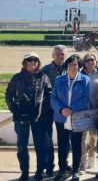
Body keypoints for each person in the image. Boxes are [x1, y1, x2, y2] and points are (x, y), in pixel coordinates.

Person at [6, 52, 52, 181]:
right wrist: (15, 111)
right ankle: (24, 171)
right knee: (21, 146)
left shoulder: (43, 76)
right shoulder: (16, 78)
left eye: (35, 60)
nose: (33, 63)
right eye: (29, 60)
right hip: (21, 119)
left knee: (40, 146)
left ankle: (39, 171)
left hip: (39, 118)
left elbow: (49, 95)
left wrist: (43, 111)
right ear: (25, 63)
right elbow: (8, 95)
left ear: (38, 63)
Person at [51, 54, 90, 181]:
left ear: (79, 66)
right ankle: (62, 170)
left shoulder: (85, 80)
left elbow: (86, 99)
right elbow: (53, 98)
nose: (72, 67)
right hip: (61, 117)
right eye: (70, 65)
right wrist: (62, 109)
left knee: (76, 144)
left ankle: (75, 171)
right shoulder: (59, 79)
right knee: (62, 145)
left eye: (75, 65)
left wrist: (72, 109)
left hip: (77, 117)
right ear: (66, 67)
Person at [42, 44, 68, 176]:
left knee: (64, 139)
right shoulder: (45, 69)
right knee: (47, 139)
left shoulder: (69, 68)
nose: (59, 56)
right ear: (52, 55)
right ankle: (49, 165)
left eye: (62, 54)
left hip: (63, 110)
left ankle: (64, 164)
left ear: (66, 55)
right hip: (47, 109)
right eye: (57, 54)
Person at [79, 53, 98, 174]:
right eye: (87, 60)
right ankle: (82, 164)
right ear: (84, 63)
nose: (90, 62)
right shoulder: (80, 74)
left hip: (97, 110)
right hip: (83, 111)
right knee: (83, 138)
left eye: (92, 60)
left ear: (96, 62)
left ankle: (91, 157)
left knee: (94, 137)